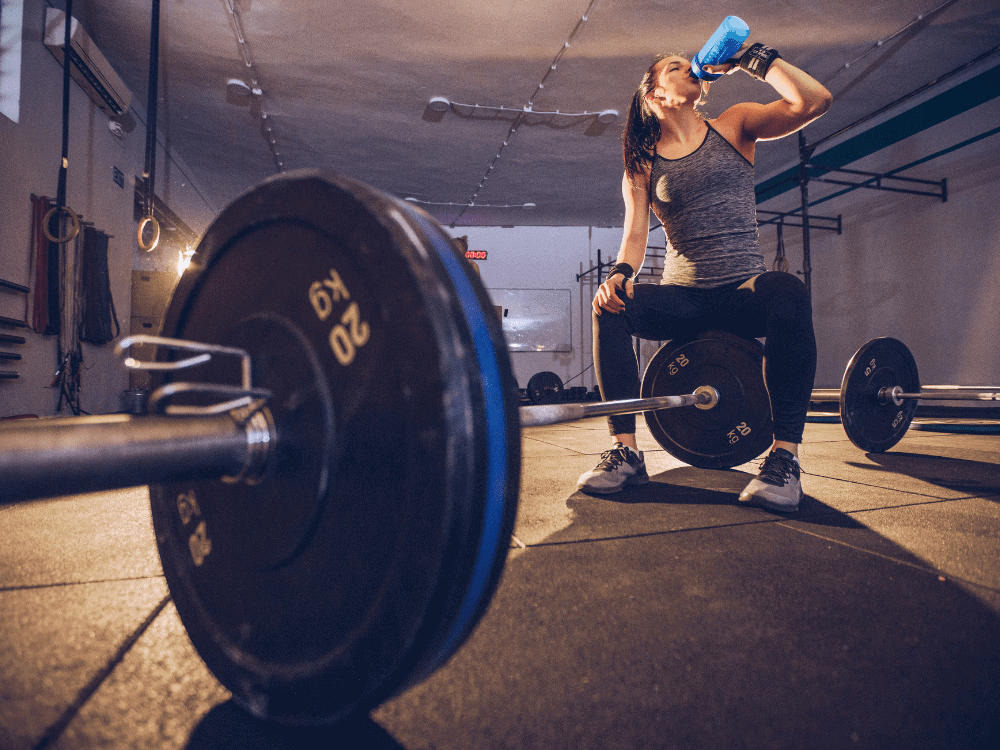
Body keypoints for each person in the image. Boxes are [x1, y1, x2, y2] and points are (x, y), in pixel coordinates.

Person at [576, 40, 832, 512]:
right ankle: (627, 450)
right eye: (674, 67)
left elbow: (814, 101)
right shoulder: (642, 160)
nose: (687, 67)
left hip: (741, 290)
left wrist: (755, 60)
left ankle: (784, 460)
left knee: (788, 291)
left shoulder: (734, 124)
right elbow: (635, 233)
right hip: (684, 297)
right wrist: (619, 274)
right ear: (654, 94)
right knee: (609, 304)